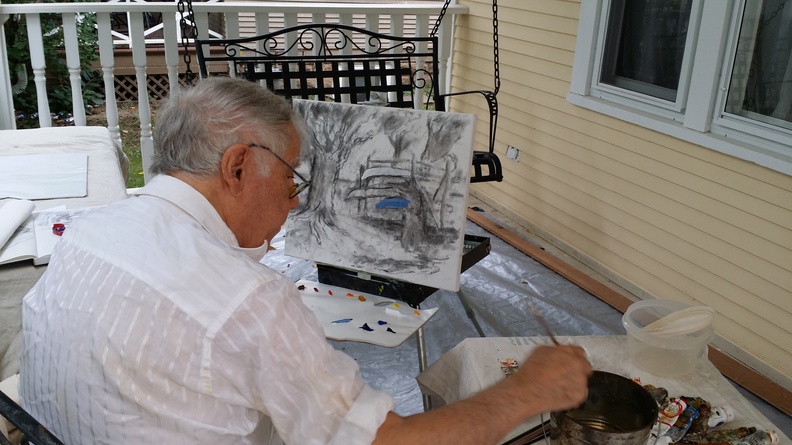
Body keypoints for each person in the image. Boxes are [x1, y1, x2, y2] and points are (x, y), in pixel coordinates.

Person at [19, 77, 592, 445]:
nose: (298, 204)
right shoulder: (250, 301)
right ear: (238, 166)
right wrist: (528, 391)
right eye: (293, 181)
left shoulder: (87, 233)